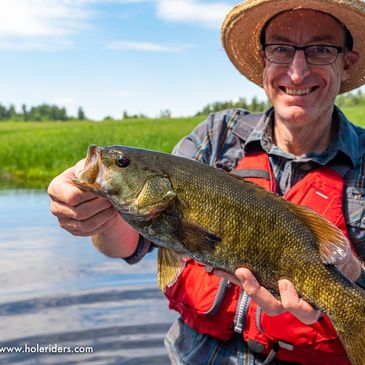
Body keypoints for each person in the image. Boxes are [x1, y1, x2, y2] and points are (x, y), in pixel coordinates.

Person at [48, 0, 365, 363]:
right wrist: (95, 215)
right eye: (281, 49)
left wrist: (351, 274)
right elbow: (128, 245)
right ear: (263, 60)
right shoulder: (218, 136)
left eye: (321, 50)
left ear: (347, 61)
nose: (297, 71)